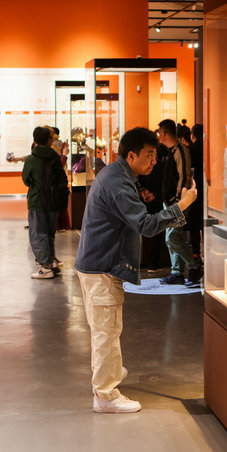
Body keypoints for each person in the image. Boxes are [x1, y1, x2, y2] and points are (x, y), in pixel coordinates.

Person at [74, 127, 197, 413]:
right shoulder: (118, 182)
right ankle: (105, 395)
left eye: (155, 155)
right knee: (106, 332)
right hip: (102, 265)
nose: (154, 161)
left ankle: (108, 372)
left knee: (108, 328)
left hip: (99, 263)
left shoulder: (118, 175)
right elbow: (146, 225)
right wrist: (182, 205)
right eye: (149, 155)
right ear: (131, 155)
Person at [156, 119, 203, 286]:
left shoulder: (180, 150)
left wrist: (178, 200)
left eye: (159, 133)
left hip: (177, 202)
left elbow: (184, 176)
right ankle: (177, 272)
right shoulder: (172, 150)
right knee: (173, 236)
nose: (159, 136)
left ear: (164, 133)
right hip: (171, 201)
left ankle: (194, 266)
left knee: (172, 237)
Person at [22, 126, 67, 279]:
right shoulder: (55, 157)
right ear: (49, 140)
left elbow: (25, 180)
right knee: (49, 233)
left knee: (38, 234)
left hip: (37, 201)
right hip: (53, 201)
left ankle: (46, 268)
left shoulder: (31, 159)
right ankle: (51, 261)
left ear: (34, 140)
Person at [186, 124, 205, 259]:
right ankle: (207, 251)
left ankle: (196, 253)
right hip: (206, 188)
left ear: (192, 135)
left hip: (193, 187)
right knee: (204, 223)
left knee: (194, 224)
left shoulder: (190, 149)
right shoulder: (208, 147)